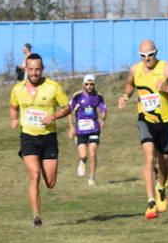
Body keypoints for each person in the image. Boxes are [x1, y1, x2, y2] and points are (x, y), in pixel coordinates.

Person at [119, 39, 168, 219]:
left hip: (165, 122)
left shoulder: (167, 69)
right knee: (149, 156)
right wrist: (124, 95)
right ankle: (150, 201)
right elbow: (129, 84)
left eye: (150, 55)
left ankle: (161, 186)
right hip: (146, 119)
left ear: (156, 53)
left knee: (165, 160)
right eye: (143, 56)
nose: (147, 59)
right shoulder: (135, 70)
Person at [8, 53, 71, 227]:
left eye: (37, 69)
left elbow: (67, 108)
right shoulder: (17, 90)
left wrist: (54, 116)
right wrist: (14, 118)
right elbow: (13, 108)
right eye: (31, 69)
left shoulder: (53, 87)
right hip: (28, 137)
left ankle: (45, 167)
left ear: (42, 69)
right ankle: (36, 216)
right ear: (26, 70)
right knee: (34, 175)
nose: (34, 73)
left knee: (50, 183)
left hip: (48, 138)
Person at [68, 75, 107, 185]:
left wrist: (103, 119)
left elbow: (103, 109)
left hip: (94, 128)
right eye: (87, 84)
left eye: (91, 84)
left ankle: (92, 178)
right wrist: (71, 127)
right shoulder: (77, 96)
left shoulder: (98, 96)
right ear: (83, 85)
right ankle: (83, 160)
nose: (89, 86)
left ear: (94, 85)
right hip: (80, 130)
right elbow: (68, 111)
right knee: (83, 155)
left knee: (93, 153)